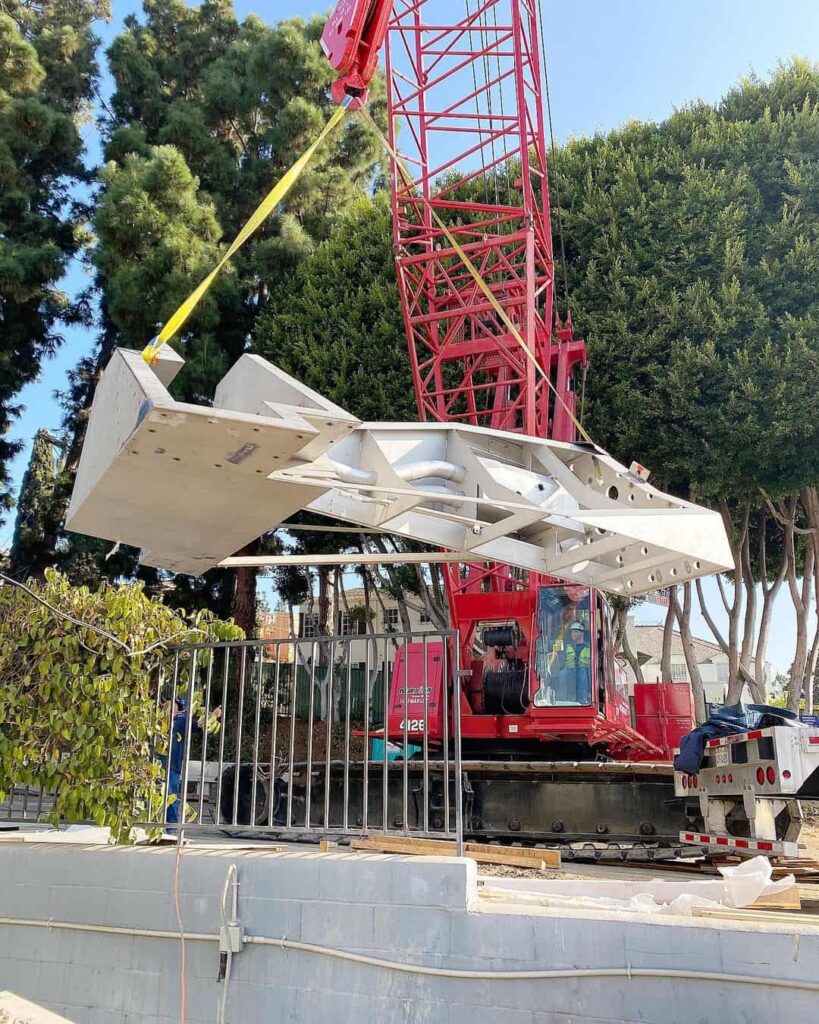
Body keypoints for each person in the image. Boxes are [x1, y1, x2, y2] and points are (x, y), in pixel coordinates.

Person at [160, 697, 221, 824]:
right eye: (169, 705)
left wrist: (213, 716)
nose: (170, 708)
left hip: (172, 765)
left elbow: (200, 726)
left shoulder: (181, 721)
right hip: (155, 764)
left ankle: (171, 827)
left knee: (171, 796)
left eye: (174, 706)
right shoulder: (156, 721)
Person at [557, 621, 591, 704]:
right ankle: (561, 700)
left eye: (575, 631)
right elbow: (561, 661)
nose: (573, 634)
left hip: (585, 672)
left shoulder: (589, 647)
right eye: (572, 632)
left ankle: (582, 700)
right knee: (562, 673)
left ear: (582, 633)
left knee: (582, 673)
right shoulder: (567, 646)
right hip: (569, 670)